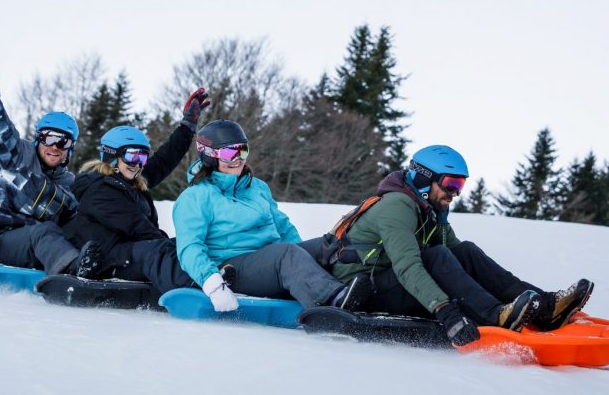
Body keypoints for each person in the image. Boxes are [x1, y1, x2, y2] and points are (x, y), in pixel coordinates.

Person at [330, 144, 594, 346]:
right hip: (362, 289)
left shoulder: (425, 209)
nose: (455, 193)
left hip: (389, 281)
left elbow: (457, 256)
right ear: (423, 179)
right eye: (451, 184)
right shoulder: (397, 205)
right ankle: (495, 315)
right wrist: (446, 311)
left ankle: (546, 307)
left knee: (465, 250)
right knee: (437, 257)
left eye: (460, 186)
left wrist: (441, 220)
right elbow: (408, 266)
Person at [172, 119, 370, 312]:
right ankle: (334, 301)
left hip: (272, 260)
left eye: (242, 151)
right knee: (286, 255)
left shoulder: (256, 187)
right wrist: (213, 283)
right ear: (209, 156)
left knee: (328, 245)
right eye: (229, 153)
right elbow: (189, 247)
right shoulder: (194, 198)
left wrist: (306, 260)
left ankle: (364, 288)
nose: (238, 159)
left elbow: (283, 227)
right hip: (234, 268)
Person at [61, 87, 210, 292]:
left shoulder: (127, 178)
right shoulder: (99, 190)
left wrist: (187, 126)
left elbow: (163, 161)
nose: (138, 164)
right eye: (132, 156)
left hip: (128, 254)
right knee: (159, 248)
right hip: (107, 261)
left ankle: (214, 273)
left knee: (183, 244)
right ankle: (195, 284)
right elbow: (138, 227)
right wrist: (171, 247)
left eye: (142, 157)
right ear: (112, 156)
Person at [0, 46, 96, 275]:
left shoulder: (69, 184)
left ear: (70, 150)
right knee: (44, 230)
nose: (55, 147)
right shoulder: (17, 156)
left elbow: (79, 220)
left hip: (39, 248)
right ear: (39, 139)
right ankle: (72, 268)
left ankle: (91, 266)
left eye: (64, 142)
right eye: (50, 138)